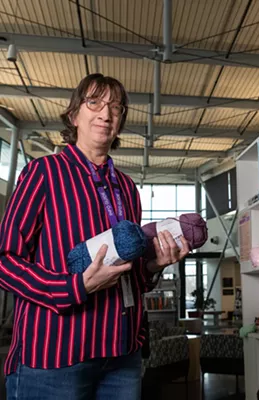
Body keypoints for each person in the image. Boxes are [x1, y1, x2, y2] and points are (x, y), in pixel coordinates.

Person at [0, 73, 189, 400]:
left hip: (121, 356)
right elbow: (6, 262)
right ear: (74, 115)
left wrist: (154, 265)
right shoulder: (43, 173)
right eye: (94, 103)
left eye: (116, 107)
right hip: (56, 356)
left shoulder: (127, 189)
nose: (106, 113)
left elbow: (131, 276)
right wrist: (76, 286)